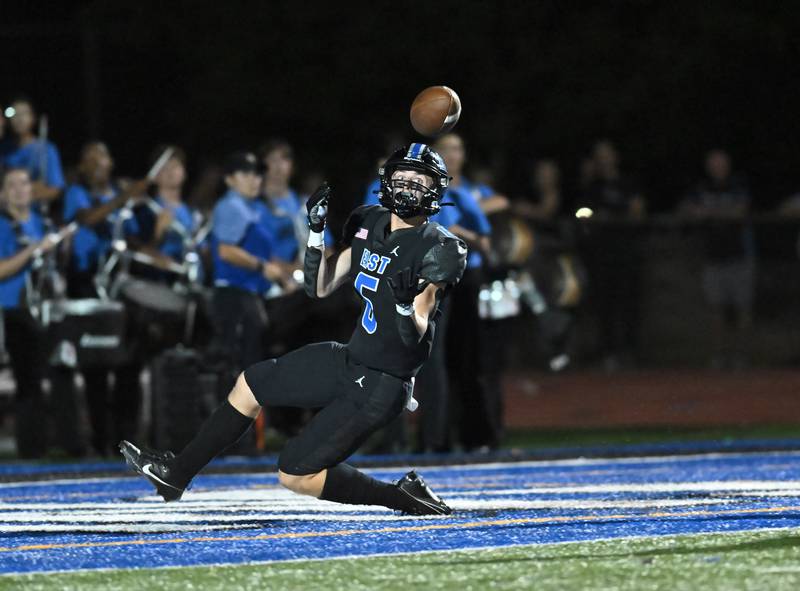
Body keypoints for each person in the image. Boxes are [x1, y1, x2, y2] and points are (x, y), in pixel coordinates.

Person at [120, 143, 467, 515]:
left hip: (383, 382)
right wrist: (316, 233)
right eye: (402, 178)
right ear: (387, 182)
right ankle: (176, 474)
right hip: (351, 358)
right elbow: (319, 287)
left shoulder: (439, 246)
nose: (409, 187)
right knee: (251, 382)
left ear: (436, 189)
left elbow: (415, 331)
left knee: (294, 473)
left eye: (419, 180)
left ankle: (401, 497)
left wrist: (402, 305)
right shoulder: (370, 222)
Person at [63, 141, 150, 455]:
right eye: (91, 159)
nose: (99, 164)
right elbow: (88, 219)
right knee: (95, 364)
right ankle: (100, 440)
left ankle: (127, 439)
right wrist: (125, 196)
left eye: (104, 156)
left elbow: (134, 238)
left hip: (121, 281)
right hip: (87, 282)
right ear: (83, 166)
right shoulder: (77, 192)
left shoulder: (120, 193)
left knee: (129, 359)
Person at [432, 133, 497, 451]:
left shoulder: (464, 194)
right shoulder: (430, 190)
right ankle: (441, 436)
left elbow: (484, 238)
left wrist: (463, 233)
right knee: (438, 362)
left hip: (464, 281)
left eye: (457, 149)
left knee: (468, 361)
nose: (452, 155)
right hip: (437, 282)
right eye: (446, 150)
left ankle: (476, 435)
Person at [0, 168, 70, 457]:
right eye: (12, 185)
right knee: (27, 380)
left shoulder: (43, 221)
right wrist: (33, 251)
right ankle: (32, 447)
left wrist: (62, 245)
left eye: (24, 183)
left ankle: (68, 443)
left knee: (61, 373)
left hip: (49, 307)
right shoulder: (3, 225)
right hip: (17, 308)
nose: (19, 189)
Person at [208, 151, 286, 372]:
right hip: (234, 295)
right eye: (245, 174)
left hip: (251, 295)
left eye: (257, 175)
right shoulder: (230, 206)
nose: (255, 180)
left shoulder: (254, 208)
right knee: (241, 368)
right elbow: (225, 251)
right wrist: (261, 267)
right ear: (229, 179)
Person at [680, 149, 755, 368]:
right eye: (713, 163)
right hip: (712, 257)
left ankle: (742, 356)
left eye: (721, 163)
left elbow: (740, 210)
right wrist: (709, 212)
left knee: (743, 308)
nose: (717, 167)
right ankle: (719, 357)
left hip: (740, 254)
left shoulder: (738, 184)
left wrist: (709, 212)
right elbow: (687, 209)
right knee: (716, 308)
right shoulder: (701, 188)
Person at [577, 139, 646, 370]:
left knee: (629, 303)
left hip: (626, 252)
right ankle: (608, 353)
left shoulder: (628, 182)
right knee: (604, 304)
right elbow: (583, 214)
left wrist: (613, 217)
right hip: (600, 254)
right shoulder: (592, 186)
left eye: (607, 154)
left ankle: (631, 352)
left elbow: (637, 211)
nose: (604, 159)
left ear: (615, 157)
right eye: (599, 155)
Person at [1, 98, 65, 206]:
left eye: (24, 113)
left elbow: (56, 189)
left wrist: (21, 195)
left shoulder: (47, 149)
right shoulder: (3, 149)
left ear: (33, 118)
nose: (19, 119)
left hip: (34, 216)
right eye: (15, 113)